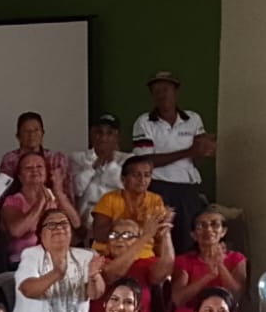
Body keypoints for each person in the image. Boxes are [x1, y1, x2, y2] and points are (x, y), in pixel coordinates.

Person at [131, 71, 213, 255]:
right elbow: (145, 162)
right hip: (160, 188)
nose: (161, 94)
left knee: (189, 241)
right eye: (156, 91)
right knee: (160, 240)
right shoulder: (144, 122)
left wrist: (205, 150)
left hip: (188, 188)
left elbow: (200, 153)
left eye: (165, 89)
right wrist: (189, 152)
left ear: (175, 92)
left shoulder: (193, 119)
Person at [91, 215, 175, 312]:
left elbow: (164, 271)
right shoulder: (99, 261)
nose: (119, 239)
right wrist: (146, 236)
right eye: (113, 235)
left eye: (127, 235)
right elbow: (113, 274)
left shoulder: (144, 263)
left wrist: (165, 233)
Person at [170, 205, 247, 312]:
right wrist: (208, 276)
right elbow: (178, 299)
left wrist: (220, 265)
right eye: (201, 226)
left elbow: (236, 295)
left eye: (215, 224)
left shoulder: (236, 259)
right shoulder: (183, 261)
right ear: (193, 235)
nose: (208, 229)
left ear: (223, 231)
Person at [0, 149, 77, 265]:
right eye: (28, 168)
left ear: (46, 173)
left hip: (56, 259)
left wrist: (58, 191)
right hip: (24, 261)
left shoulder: (55, 197)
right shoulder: (13, 201)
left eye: (39, 166)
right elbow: (16, 231)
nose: (35, 170)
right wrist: (40, 203)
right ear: (20, 177)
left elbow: (76, 223)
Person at [0, 112, 76, 214]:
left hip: (54, 209)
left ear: (42, 133)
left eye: (36, 130)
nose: (32, 135)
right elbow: (3, 192)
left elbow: (67, 192)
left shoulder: (56, 158)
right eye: (26, 131)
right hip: (19, 209)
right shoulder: (10, 159)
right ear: (18, 136)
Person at [88, 154, 167, 249]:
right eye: (136, 175)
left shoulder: (155, 200)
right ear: (123, 179)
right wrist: (128, 223)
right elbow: (99, 235)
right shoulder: (109, 199)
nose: (142, 180)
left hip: (143, 252)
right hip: (111, 252)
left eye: (147, 175)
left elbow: (159, 237)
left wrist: (164, 227)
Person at [71, 114, 128, 225]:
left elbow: (124, 185)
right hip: (86, 220)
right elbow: (77, 189)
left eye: (109, 133)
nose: (103, 137)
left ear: (117, 137)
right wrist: (94, 167)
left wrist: (110, 161)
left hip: (118, 219)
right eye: (99, 132)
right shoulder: (77, 158)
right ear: (91, 134)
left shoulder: (127, 159)